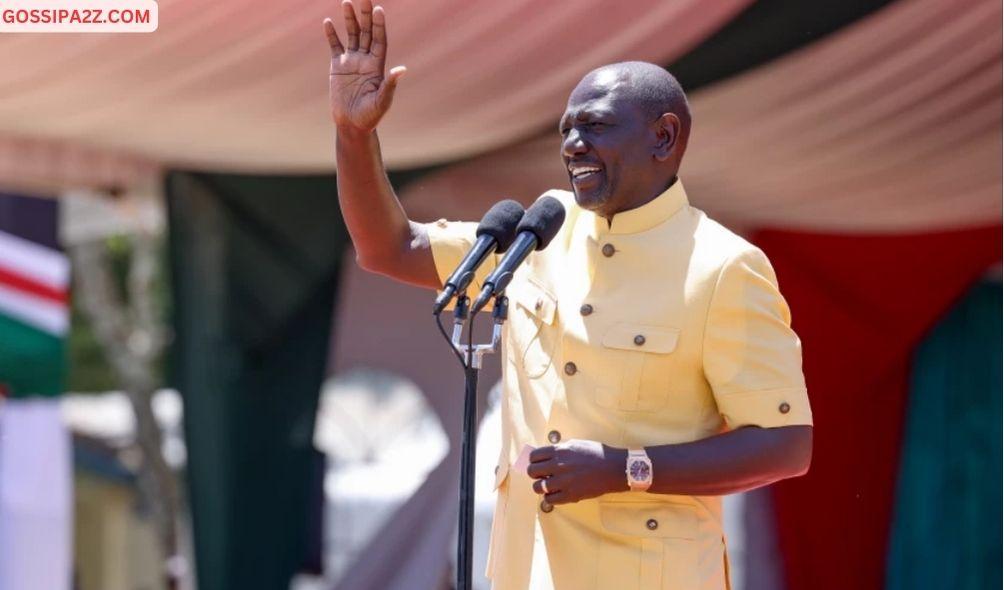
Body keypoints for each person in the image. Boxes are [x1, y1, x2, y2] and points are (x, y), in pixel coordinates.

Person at [324, 1, 813, 588]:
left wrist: (625, 469)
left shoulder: (725, 267)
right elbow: (389, 248)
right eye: (567, 130)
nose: (574, 143)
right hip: (527, 572)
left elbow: (786, 446)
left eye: (596, 125)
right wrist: (355, 134)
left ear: (664, 136)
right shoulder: (539, 233)